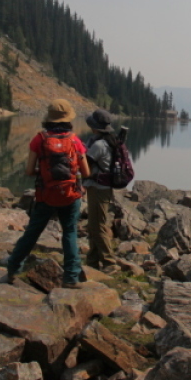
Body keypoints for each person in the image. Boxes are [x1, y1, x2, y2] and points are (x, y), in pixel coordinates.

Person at [6, 99, 91, 288]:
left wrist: (44, 172)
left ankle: (13, 269)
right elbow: (85, 173)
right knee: (69, 232)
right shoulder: (75, 140)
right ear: (68, 119)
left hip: (45, 195)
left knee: (33, 232)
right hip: (70, 195)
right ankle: (71, 277)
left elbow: (29, 171)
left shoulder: (40, 139)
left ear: (49, 118)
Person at [84, 109, 119, 274]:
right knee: (94, 224)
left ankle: (109, 261)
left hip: (97, 189)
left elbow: (85, 166)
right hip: (104, 188)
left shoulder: (98, 145)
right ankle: (92, 259)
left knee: (97, 226)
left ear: (95, 127)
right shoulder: (110, 141)